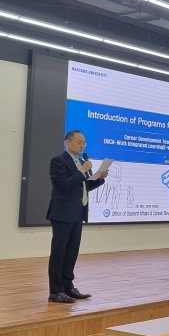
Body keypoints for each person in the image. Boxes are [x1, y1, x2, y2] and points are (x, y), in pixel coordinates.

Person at [46, 130, 108, 303]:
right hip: (62, 213)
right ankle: (55, 291)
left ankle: (68, 287)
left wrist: (100, 178)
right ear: (67, 142)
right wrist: (82, 172)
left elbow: (84, 186)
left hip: (77, 213)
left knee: (72, 252)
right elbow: (63, 184)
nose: (82, 146)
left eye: (84, 143)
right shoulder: (58, 161)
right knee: (59, 252)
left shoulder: (81, 162)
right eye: (79, 142)